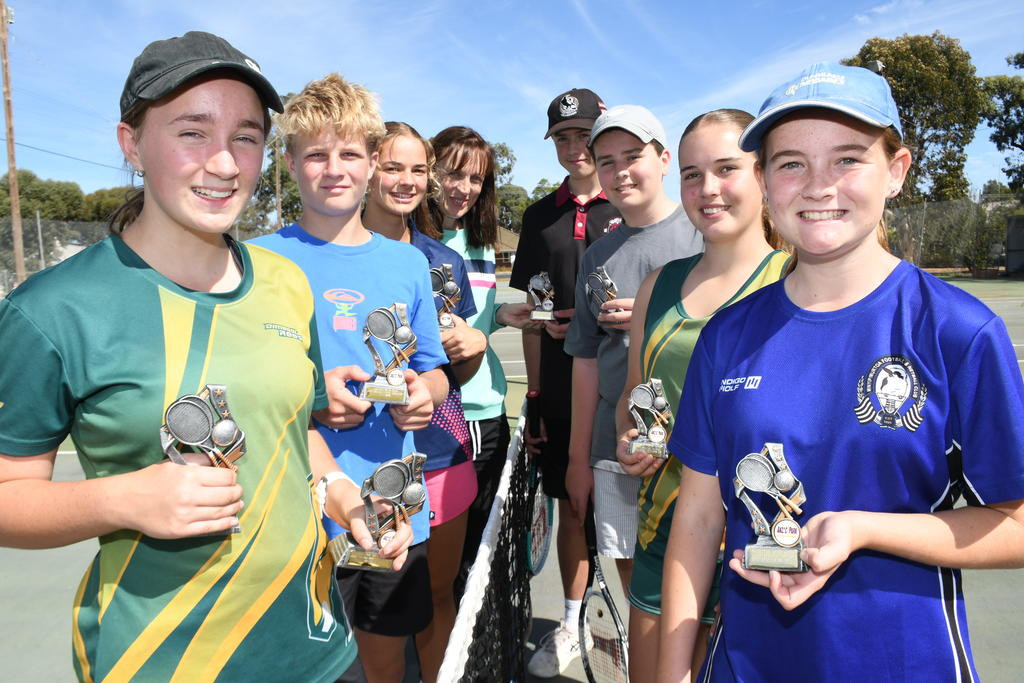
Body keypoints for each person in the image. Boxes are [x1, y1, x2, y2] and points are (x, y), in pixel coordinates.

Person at [0, 32, 408, 682]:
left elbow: (291, 427)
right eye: (193, 131)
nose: (224, 163)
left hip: (320, 648)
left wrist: (343, 497)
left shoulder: (284, 282)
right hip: (161, 661)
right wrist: (124, 498)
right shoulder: (52, 310)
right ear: (130, 143)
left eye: (245, 136)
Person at [658, 62, 1024, 682]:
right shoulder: (726, 336)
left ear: (898, 172)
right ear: (767, 183)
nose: (818, 185)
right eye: (791, 163)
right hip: (748, 665)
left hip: (907, 662)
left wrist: (860, 530)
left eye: (849, 159)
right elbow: (696, 521)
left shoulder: (957, 331)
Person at [249, 75, 448, 683]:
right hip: (288, 510)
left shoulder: (410, 262)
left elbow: (433, 369)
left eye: (349, 153)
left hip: (389, 504)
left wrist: (423, 397)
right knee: (298, 665)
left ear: (371, 163)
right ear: (288, 163)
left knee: (383, 660)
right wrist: (313, 397)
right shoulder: (255, 260)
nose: (333, 169)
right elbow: (244, 382)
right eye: (315, 154)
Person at [612, 108, 789, 682]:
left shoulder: (797, 282)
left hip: (764, 543)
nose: (707, 189)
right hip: (665, 532)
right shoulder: (657, 285)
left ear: (761, 174)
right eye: (692, 173)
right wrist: (627, 439)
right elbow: (635, 394)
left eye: (726, 168)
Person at [362, 120, 483, 683]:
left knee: (436, 596)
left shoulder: (443, 262)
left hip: (440, 452)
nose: (406, 182)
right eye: (392, 166)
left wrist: (473, 347)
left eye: (417, 170)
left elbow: (452, 377)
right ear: (367, 169)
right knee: (367, 610)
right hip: (355, 462)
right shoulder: (318, 256)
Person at [564, 105, 702, 593]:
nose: (620, 171)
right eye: (606, 160)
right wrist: (578, 457)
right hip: (615, 447)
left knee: (698, 583)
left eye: (632, 155)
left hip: (697, 446)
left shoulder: (705, 234)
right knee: (636, 580)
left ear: (664, 160)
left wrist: (654, 311)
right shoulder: (598, 255)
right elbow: (584, 360)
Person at [510, 87, 622, 678]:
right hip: (558, 387)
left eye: (584, 135)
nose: (575, 148)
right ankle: (577, 624)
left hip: (628, 391)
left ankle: (641, 623)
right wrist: (532, 395)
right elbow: (533, 314)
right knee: (572, 507)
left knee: (642, 511)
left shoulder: (632, 205)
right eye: (564, 138)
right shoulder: (538, 217)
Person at [426, 126, 534, 595]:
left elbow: (472, 322)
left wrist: (503, 315)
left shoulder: (483, 243)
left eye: (476, 180)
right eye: (452, 173)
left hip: (490, 412)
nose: (463, 188)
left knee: (479, 551)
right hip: (443, 417)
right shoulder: (409, 241)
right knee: (444, 559)